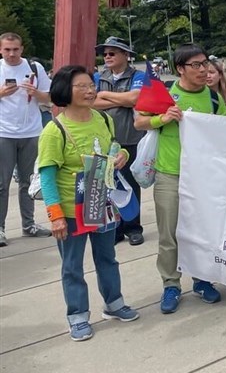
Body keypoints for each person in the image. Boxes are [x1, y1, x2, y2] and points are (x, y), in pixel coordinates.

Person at [38, 65, 139, 341]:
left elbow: (115, 147)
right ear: (63, 91)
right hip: (71, 211)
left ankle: (114, 303)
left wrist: (121, 157)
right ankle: (78, 316)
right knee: (72, 266)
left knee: (107, 257)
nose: (90, 90)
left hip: (102, 204)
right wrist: (55, 214)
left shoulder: (103, 119)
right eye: (80, 86)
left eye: (90, 85)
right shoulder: (54, 129)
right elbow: (47, 175)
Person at [133, 44, 226, 314]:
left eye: (205, 63)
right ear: (180, 69)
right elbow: (140, 122)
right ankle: (171, 284)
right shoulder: (166, 94)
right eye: (195, 65)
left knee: (201, 232)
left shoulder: (213, 98)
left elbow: (221, 131)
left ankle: (202, 279)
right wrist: (162, 118)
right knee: (169, 234)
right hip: (169, 174)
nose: (203, 69)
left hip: (202, 178)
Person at [92, 37, 147, 246]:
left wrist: (105, 94)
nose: (107, 57)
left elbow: (135, 99)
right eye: (105, 53)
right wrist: (119, 98)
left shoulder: (138, 75)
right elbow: (92, 102)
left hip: (131, 137)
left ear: (126, 55)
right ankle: (114, 228)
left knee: (130, 184)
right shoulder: (99, 76)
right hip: (105, 139)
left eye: (112, 53)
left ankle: (133, 227)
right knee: (108, 184)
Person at [0, 32, 52, 246]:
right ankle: (0, 228)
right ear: (1, 50)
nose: (11, 54)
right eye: (7, 49)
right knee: (2, 185)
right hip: (3, 133)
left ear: (22, 49)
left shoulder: (34, 68)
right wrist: (2, 93)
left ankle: (28, 224)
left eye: (15, 49)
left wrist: (36, 92)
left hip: (31, 132)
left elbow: (49, 97)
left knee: (27, 182)